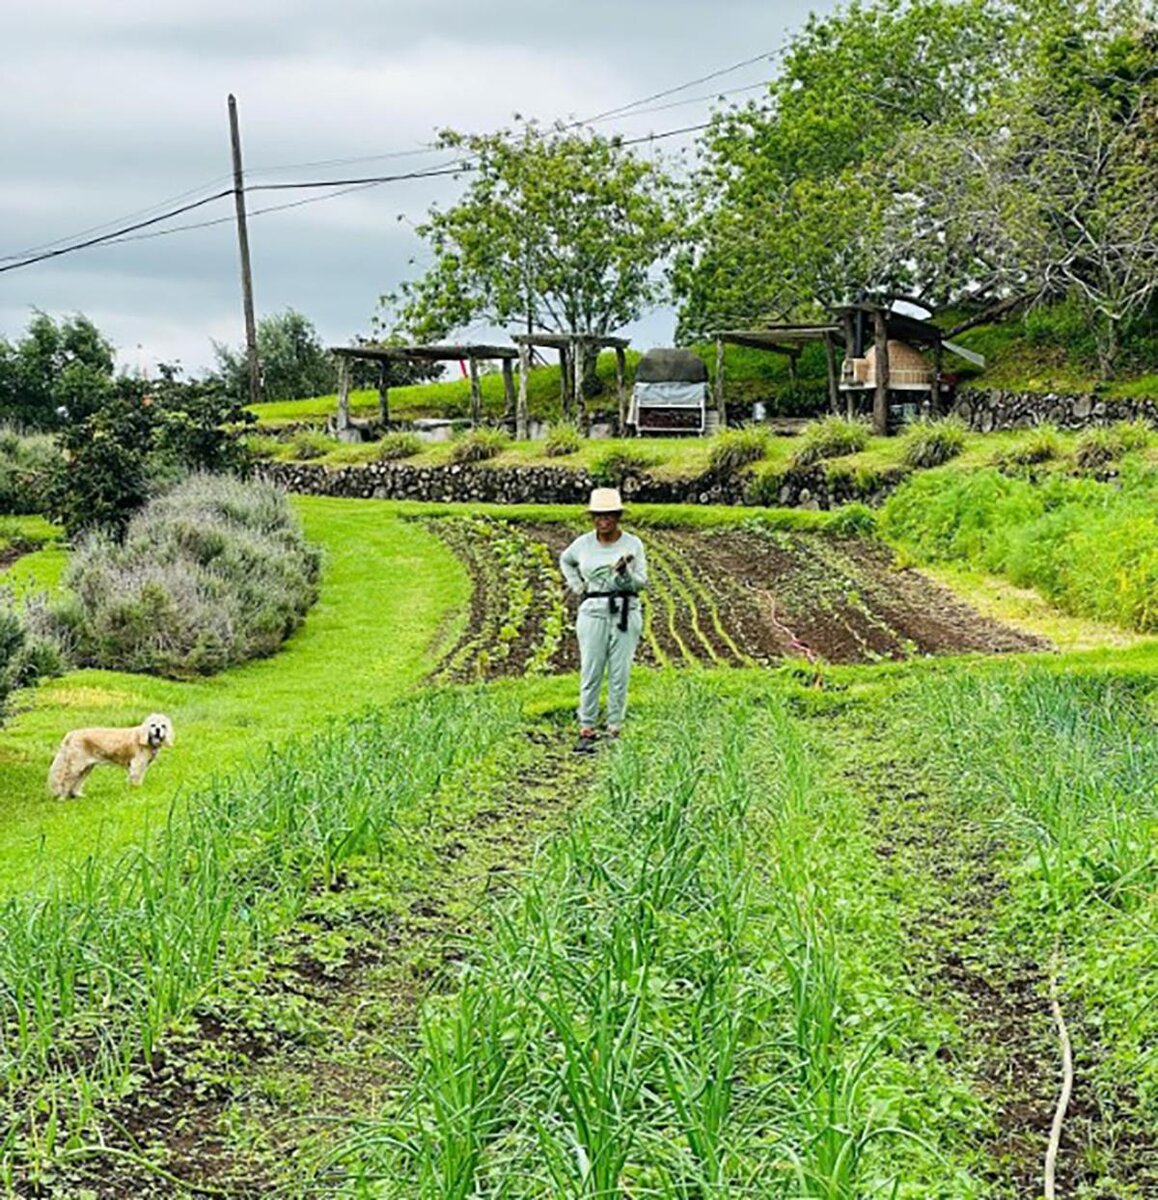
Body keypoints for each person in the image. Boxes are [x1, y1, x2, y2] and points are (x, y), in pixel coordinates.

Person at [559, 487, 648, 752]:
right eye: (598, 515)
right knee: (591, 669)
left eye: (609, 515)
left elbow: (641, 582)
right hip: (593, 609)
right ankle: (586, 727)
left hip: (625, 609)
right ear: (593, 517)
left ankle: (614, 726)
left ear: (618, 516)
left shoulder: (633, 544)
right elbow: (566, 560)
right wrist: (577, 585)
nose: (603, 520)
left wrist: (624, 575)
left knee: (620, 671)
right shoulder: (583, 543)